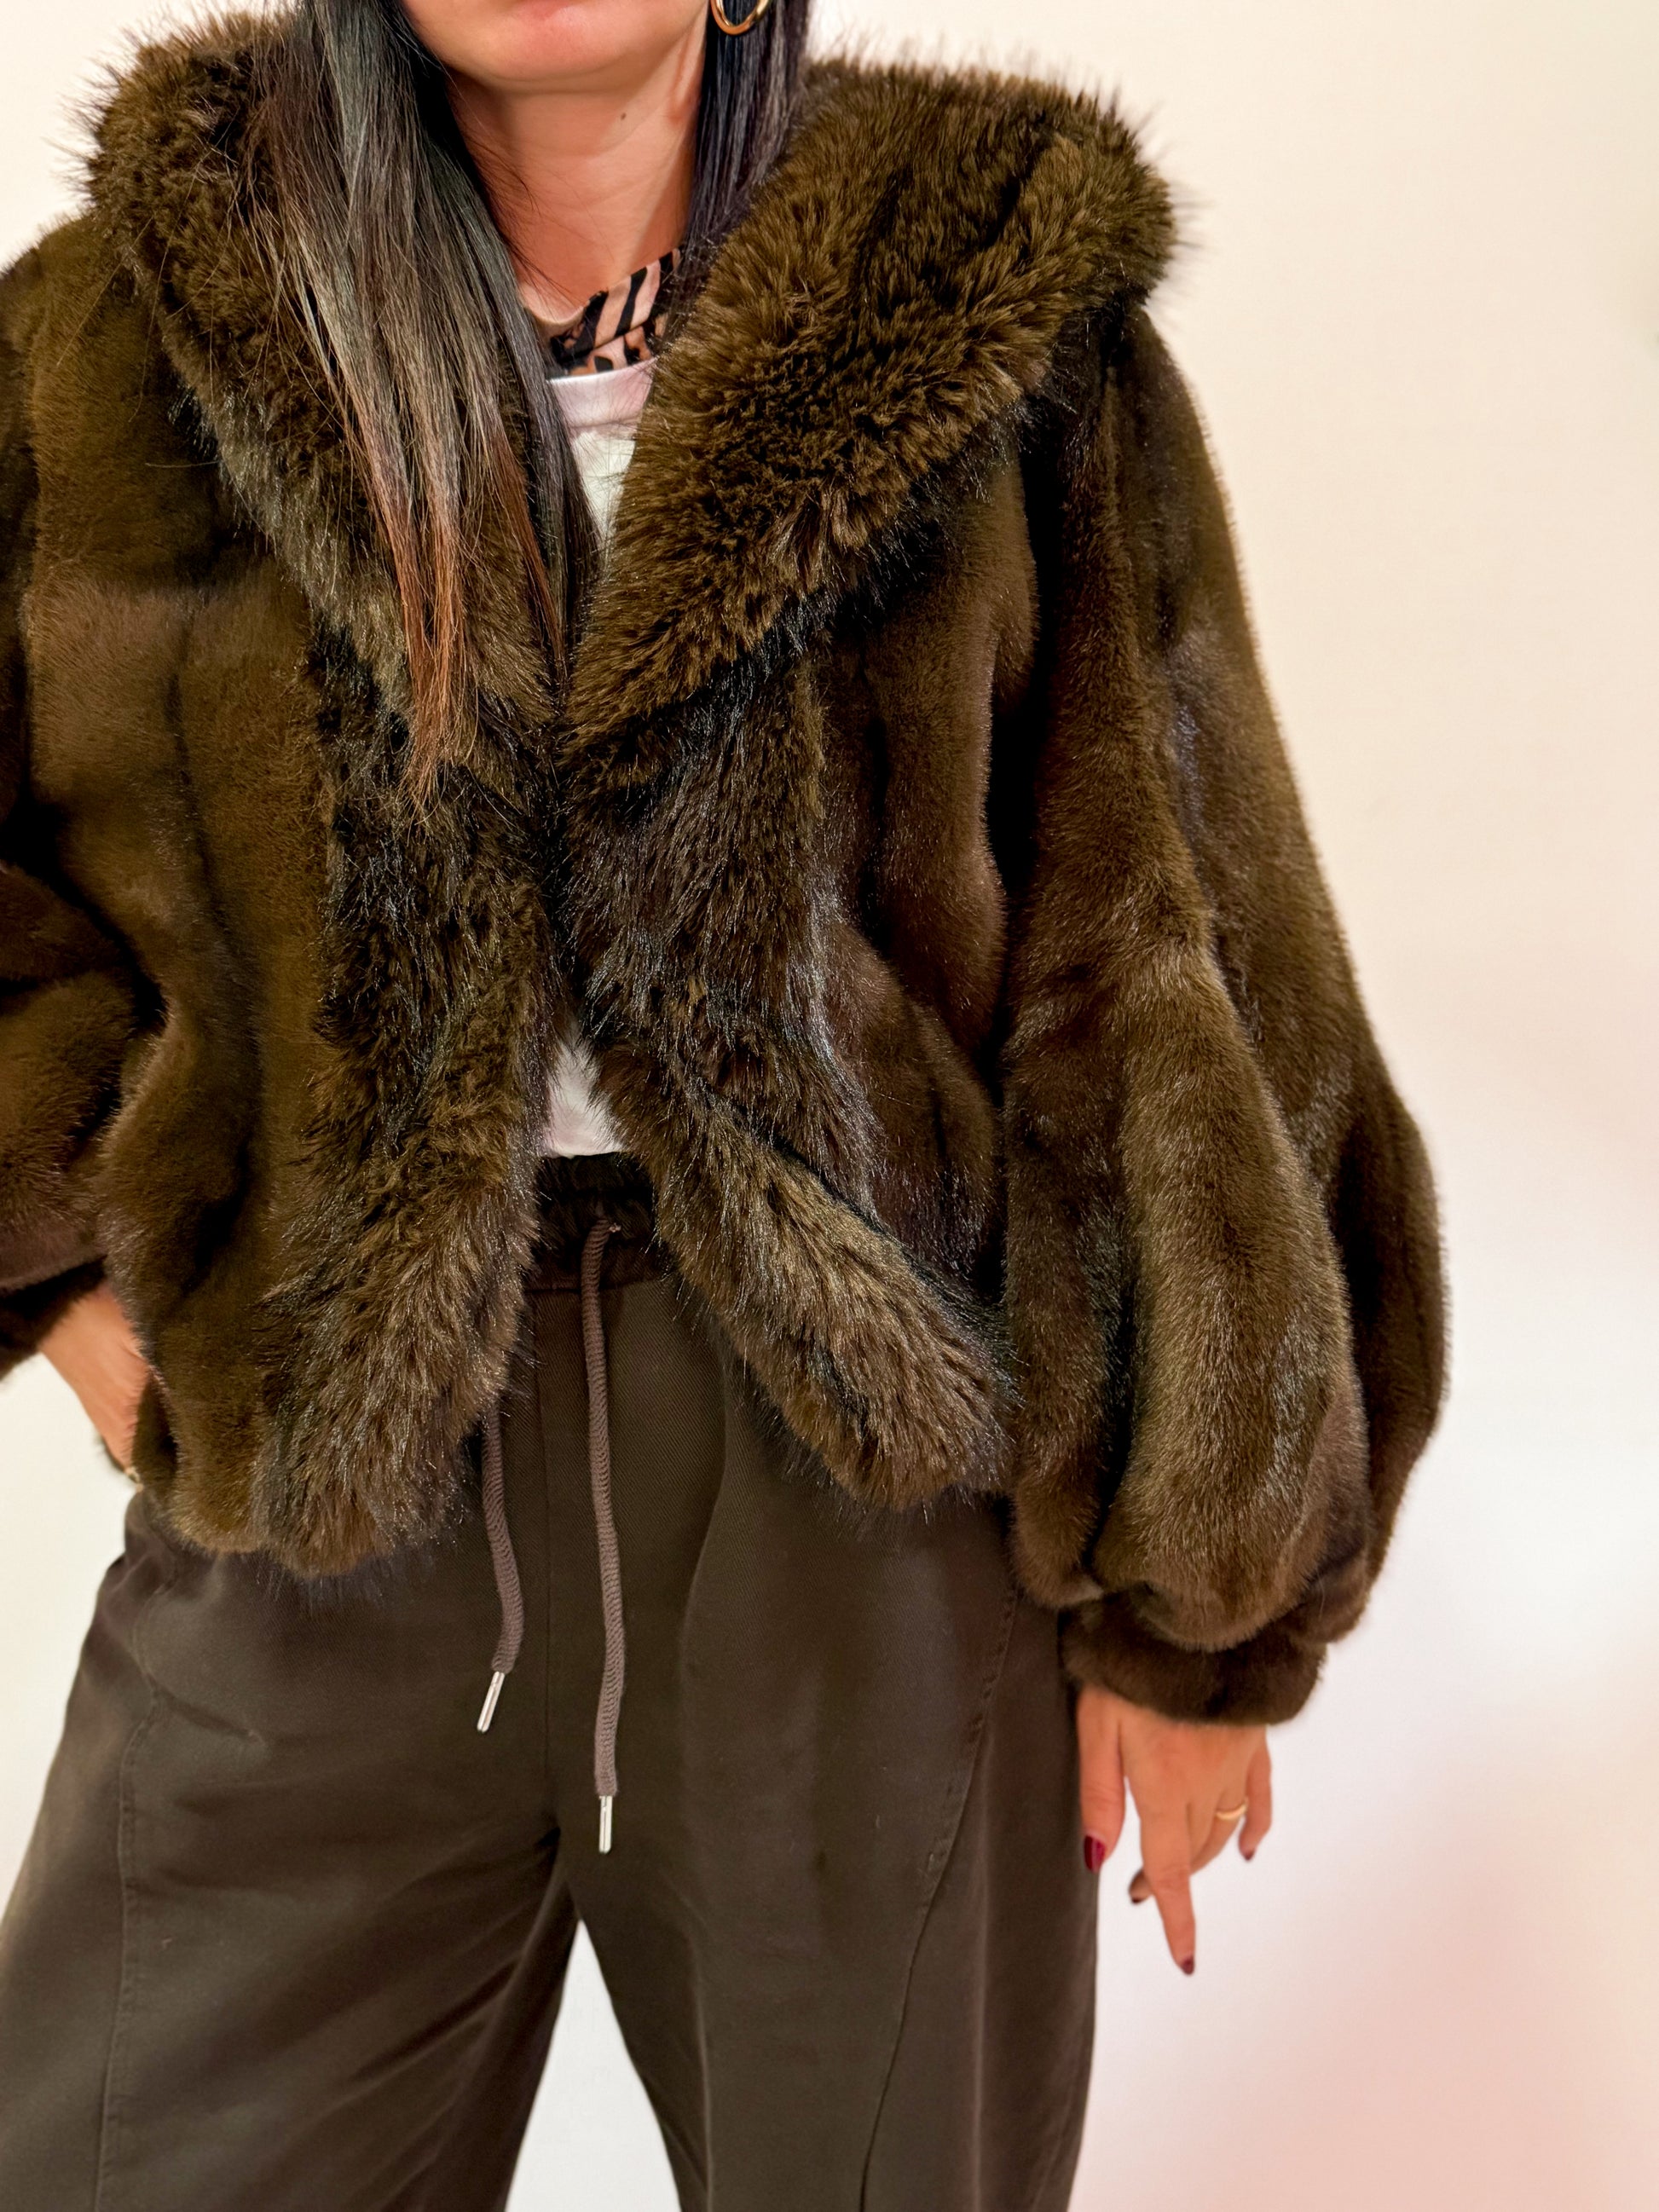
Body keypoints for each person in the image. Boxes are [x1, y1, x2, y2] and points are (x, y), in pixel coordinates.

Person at [0, 1, 1445, 2204]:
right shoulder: (129, 333)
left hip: (859, 1508)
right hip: (320, 1490)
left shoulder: (985, 310)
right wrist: (68, 1278)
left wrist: (1199, 1603)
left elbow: (1174, 948)